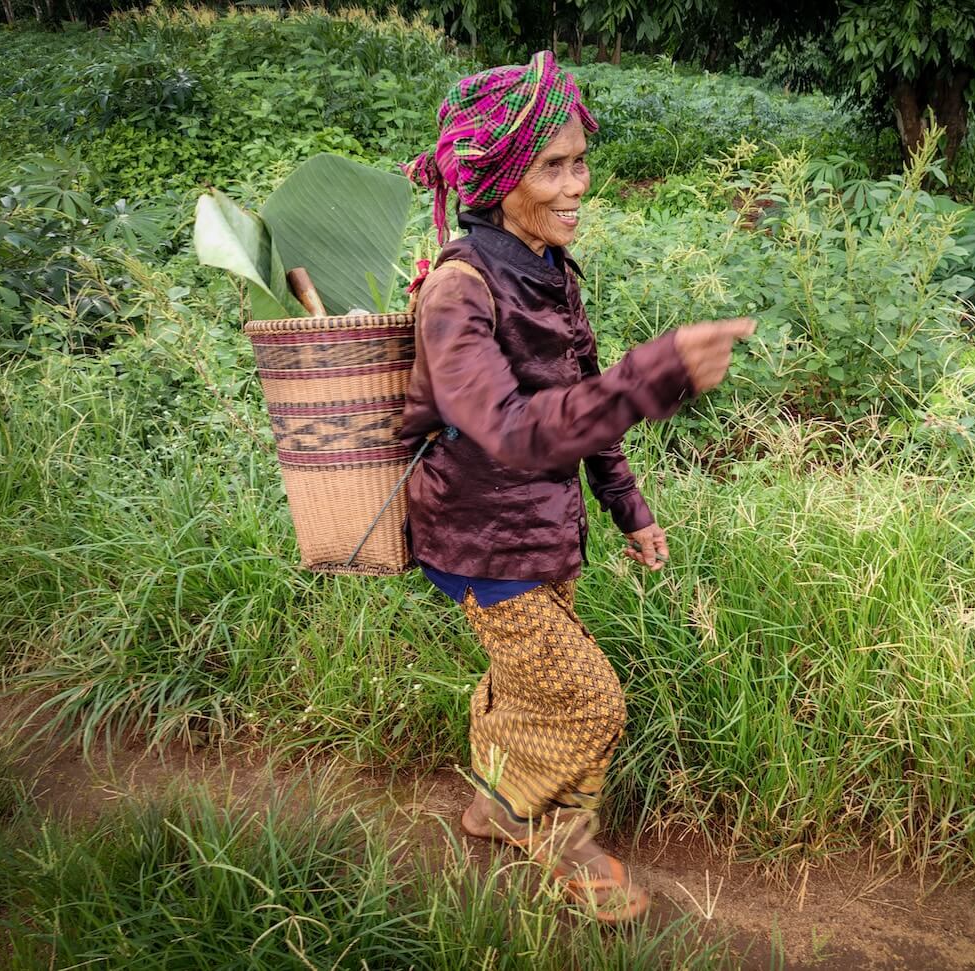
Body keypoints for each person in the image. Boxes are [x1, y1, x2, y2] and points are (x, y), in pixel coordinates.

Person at [402, 50, 753, 923]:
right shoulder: (457, 291)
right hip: (481, 540)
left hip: (542, 530)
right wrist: (653, 374)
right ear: (499, 178)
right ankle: (549, 829)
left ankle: (494, 806)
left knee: (529, 684)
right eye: (553, 167)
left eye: (580, 162)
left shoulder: (547, 268)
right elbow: (516, 430)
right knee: (589, 701)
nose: (578, 186)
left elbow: (583, 404)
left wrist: (630, 510)